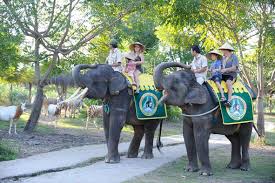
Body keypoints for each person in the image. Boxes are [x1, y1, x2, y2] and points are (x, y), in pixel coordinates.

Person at [219, 42, 239, 107]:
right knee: (214, 79)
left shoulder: (234, 57)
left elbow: (234, 68)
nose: (222, 51)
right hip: (223, 75)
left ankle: (229, 101)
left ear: (227, 50)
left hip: (231, 75)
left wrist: (226, 70)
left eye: (223, 50)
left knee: (228, 83)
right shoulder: (222, 58)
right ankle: (221, 97)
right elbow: (221, 67)